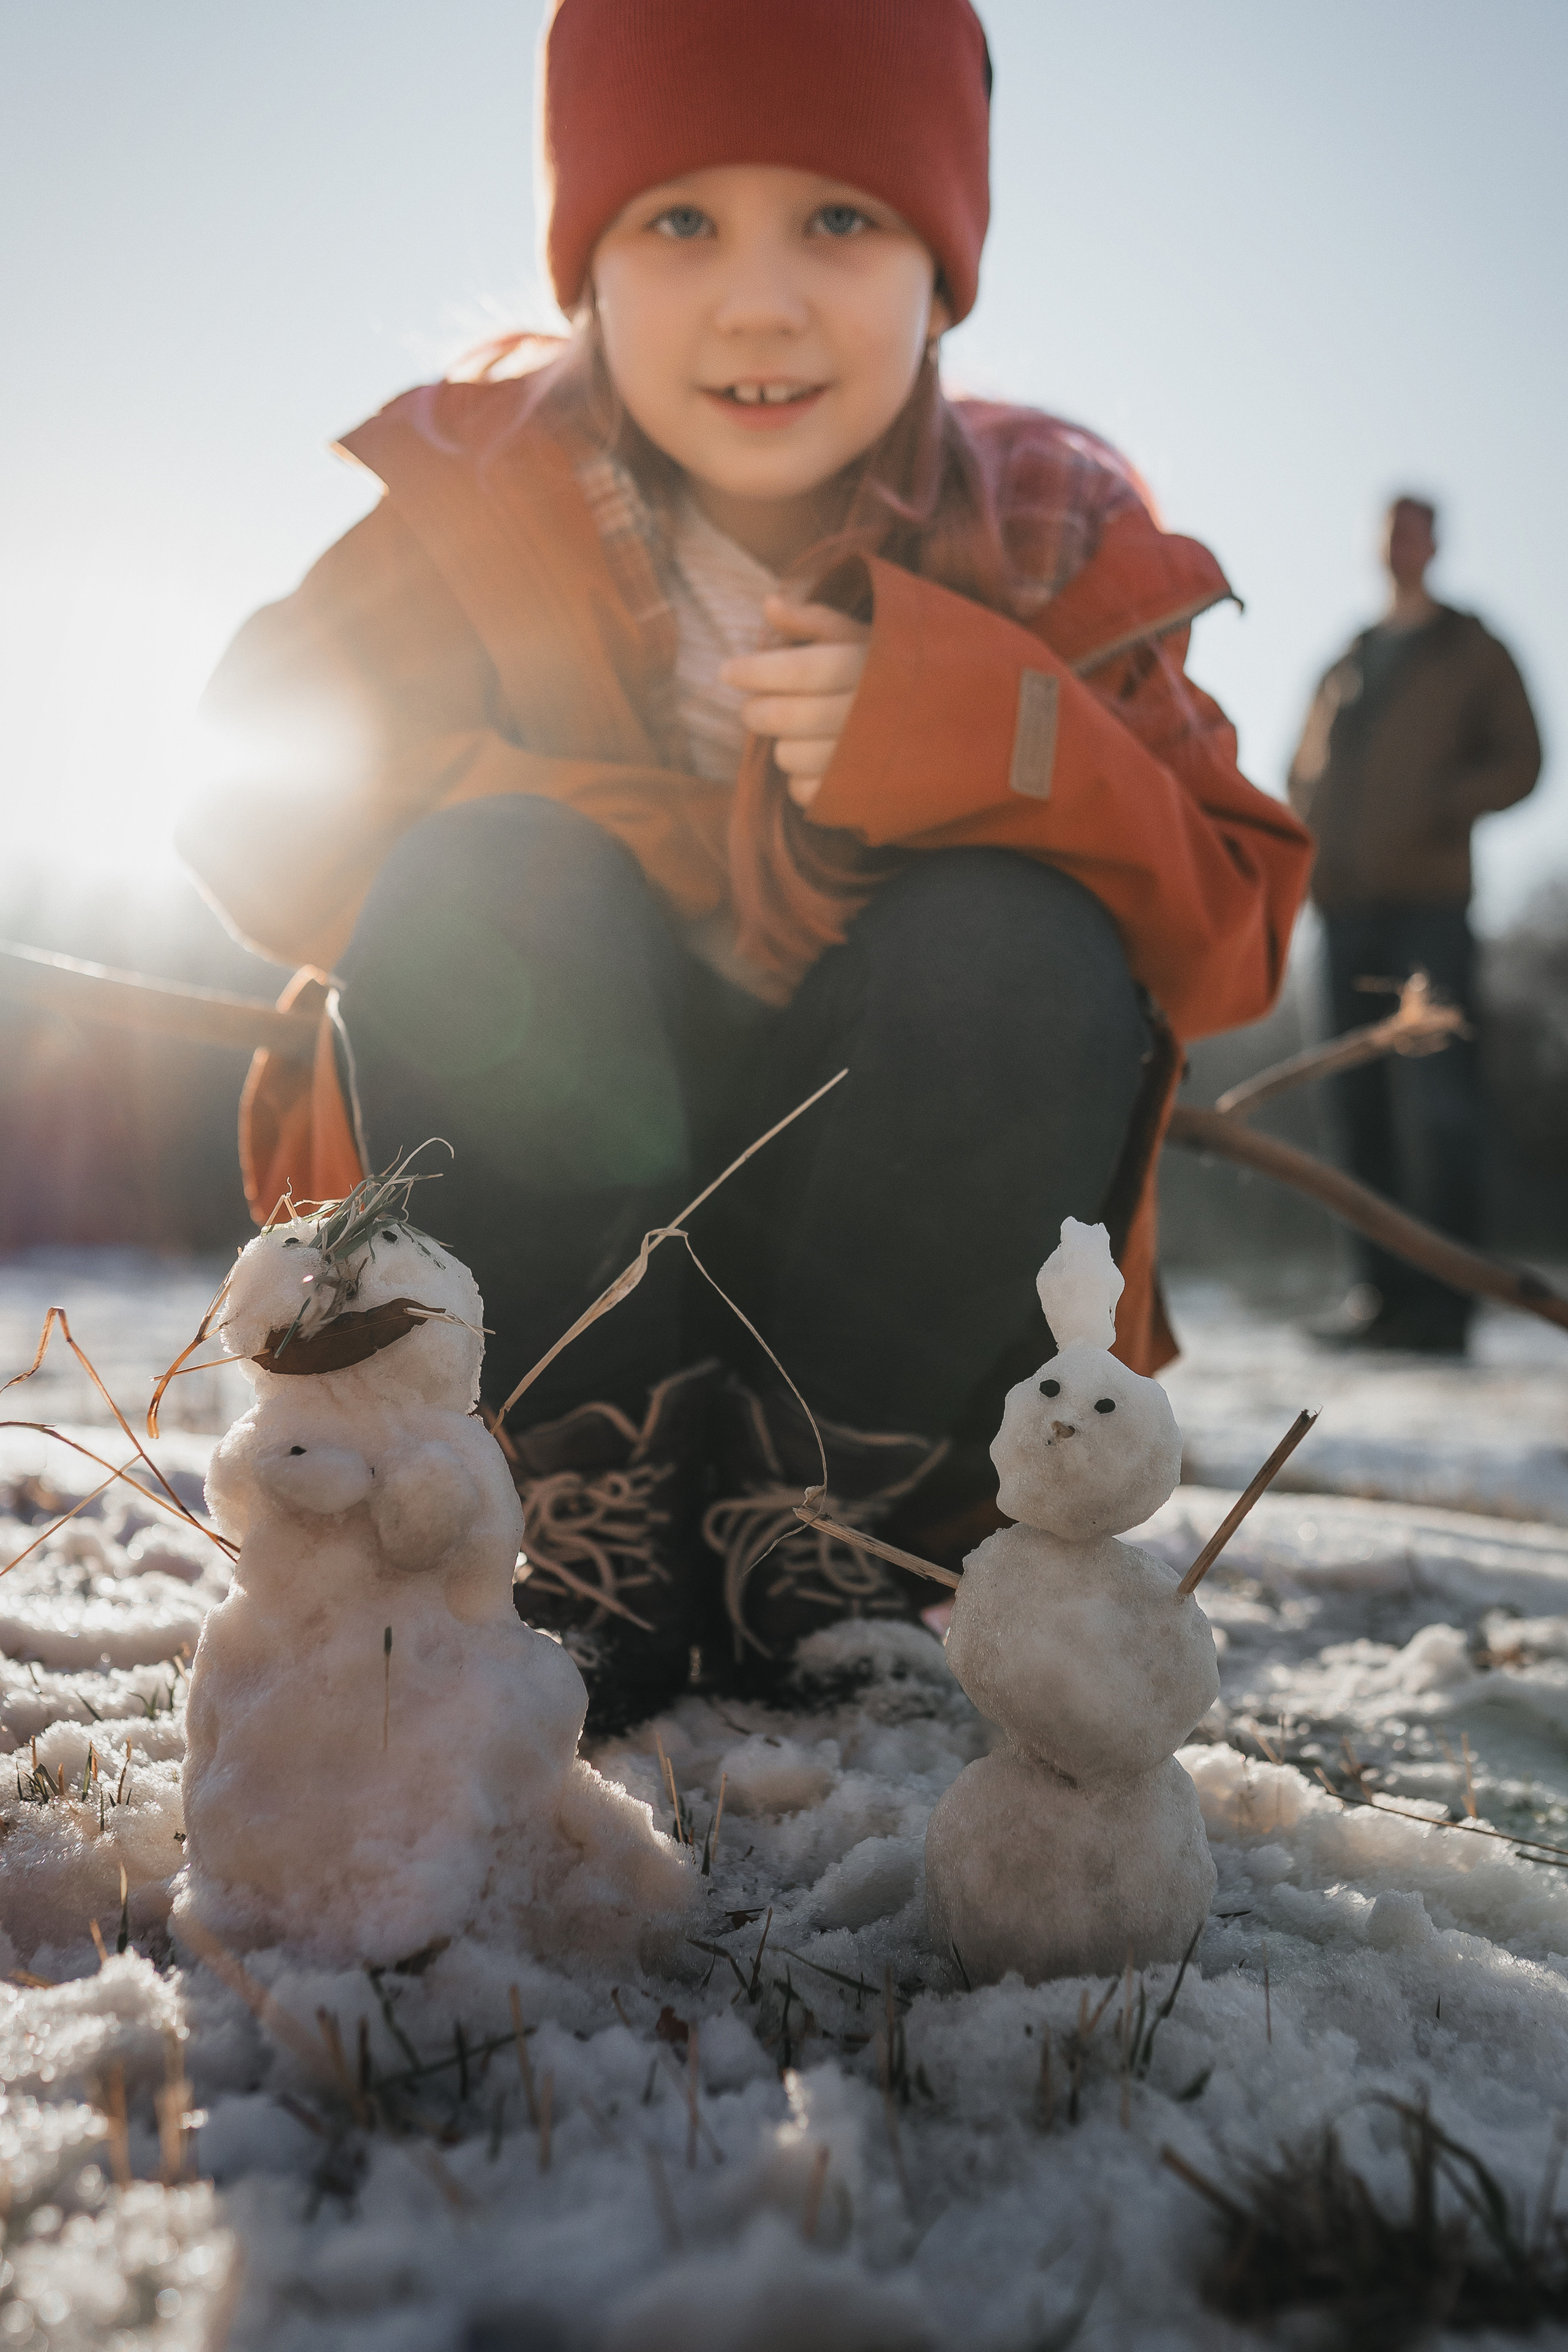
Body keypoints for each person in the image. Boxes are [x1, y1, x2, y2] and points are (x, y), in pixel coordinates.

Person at [179, 0, 1311, 1724]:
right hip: (557, 1224)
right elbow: (248, 805)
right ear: (589, 266)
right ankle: (575, 1495)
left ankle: (836, 1519)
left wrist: (1006, 737)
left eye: (842, 219)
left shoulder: (1048, 529)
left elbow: (1234, 936)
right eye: (682, 218)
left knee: (1011, 936)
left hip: (887, 1281)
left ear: (943, 256)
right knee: (496, 872)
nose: (762, 299)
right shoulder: (481, 500)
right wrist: (611, 818)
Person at [1289, 496, 1542, 1354]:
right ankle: (1380, 1301)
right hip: (1342, 909)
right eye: (1388, 527)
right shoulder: (1348, 660)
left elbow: (1524, 758)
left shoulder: (1470, 648)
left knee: (1439, 1106)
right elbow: (1302, 776)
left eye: (1414, 527)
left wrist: (1441, 806)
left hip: (1429, 907)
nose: (1400, 543)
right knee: (1351, 1107)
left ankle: (1445, 1310)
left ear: (1436, 543)